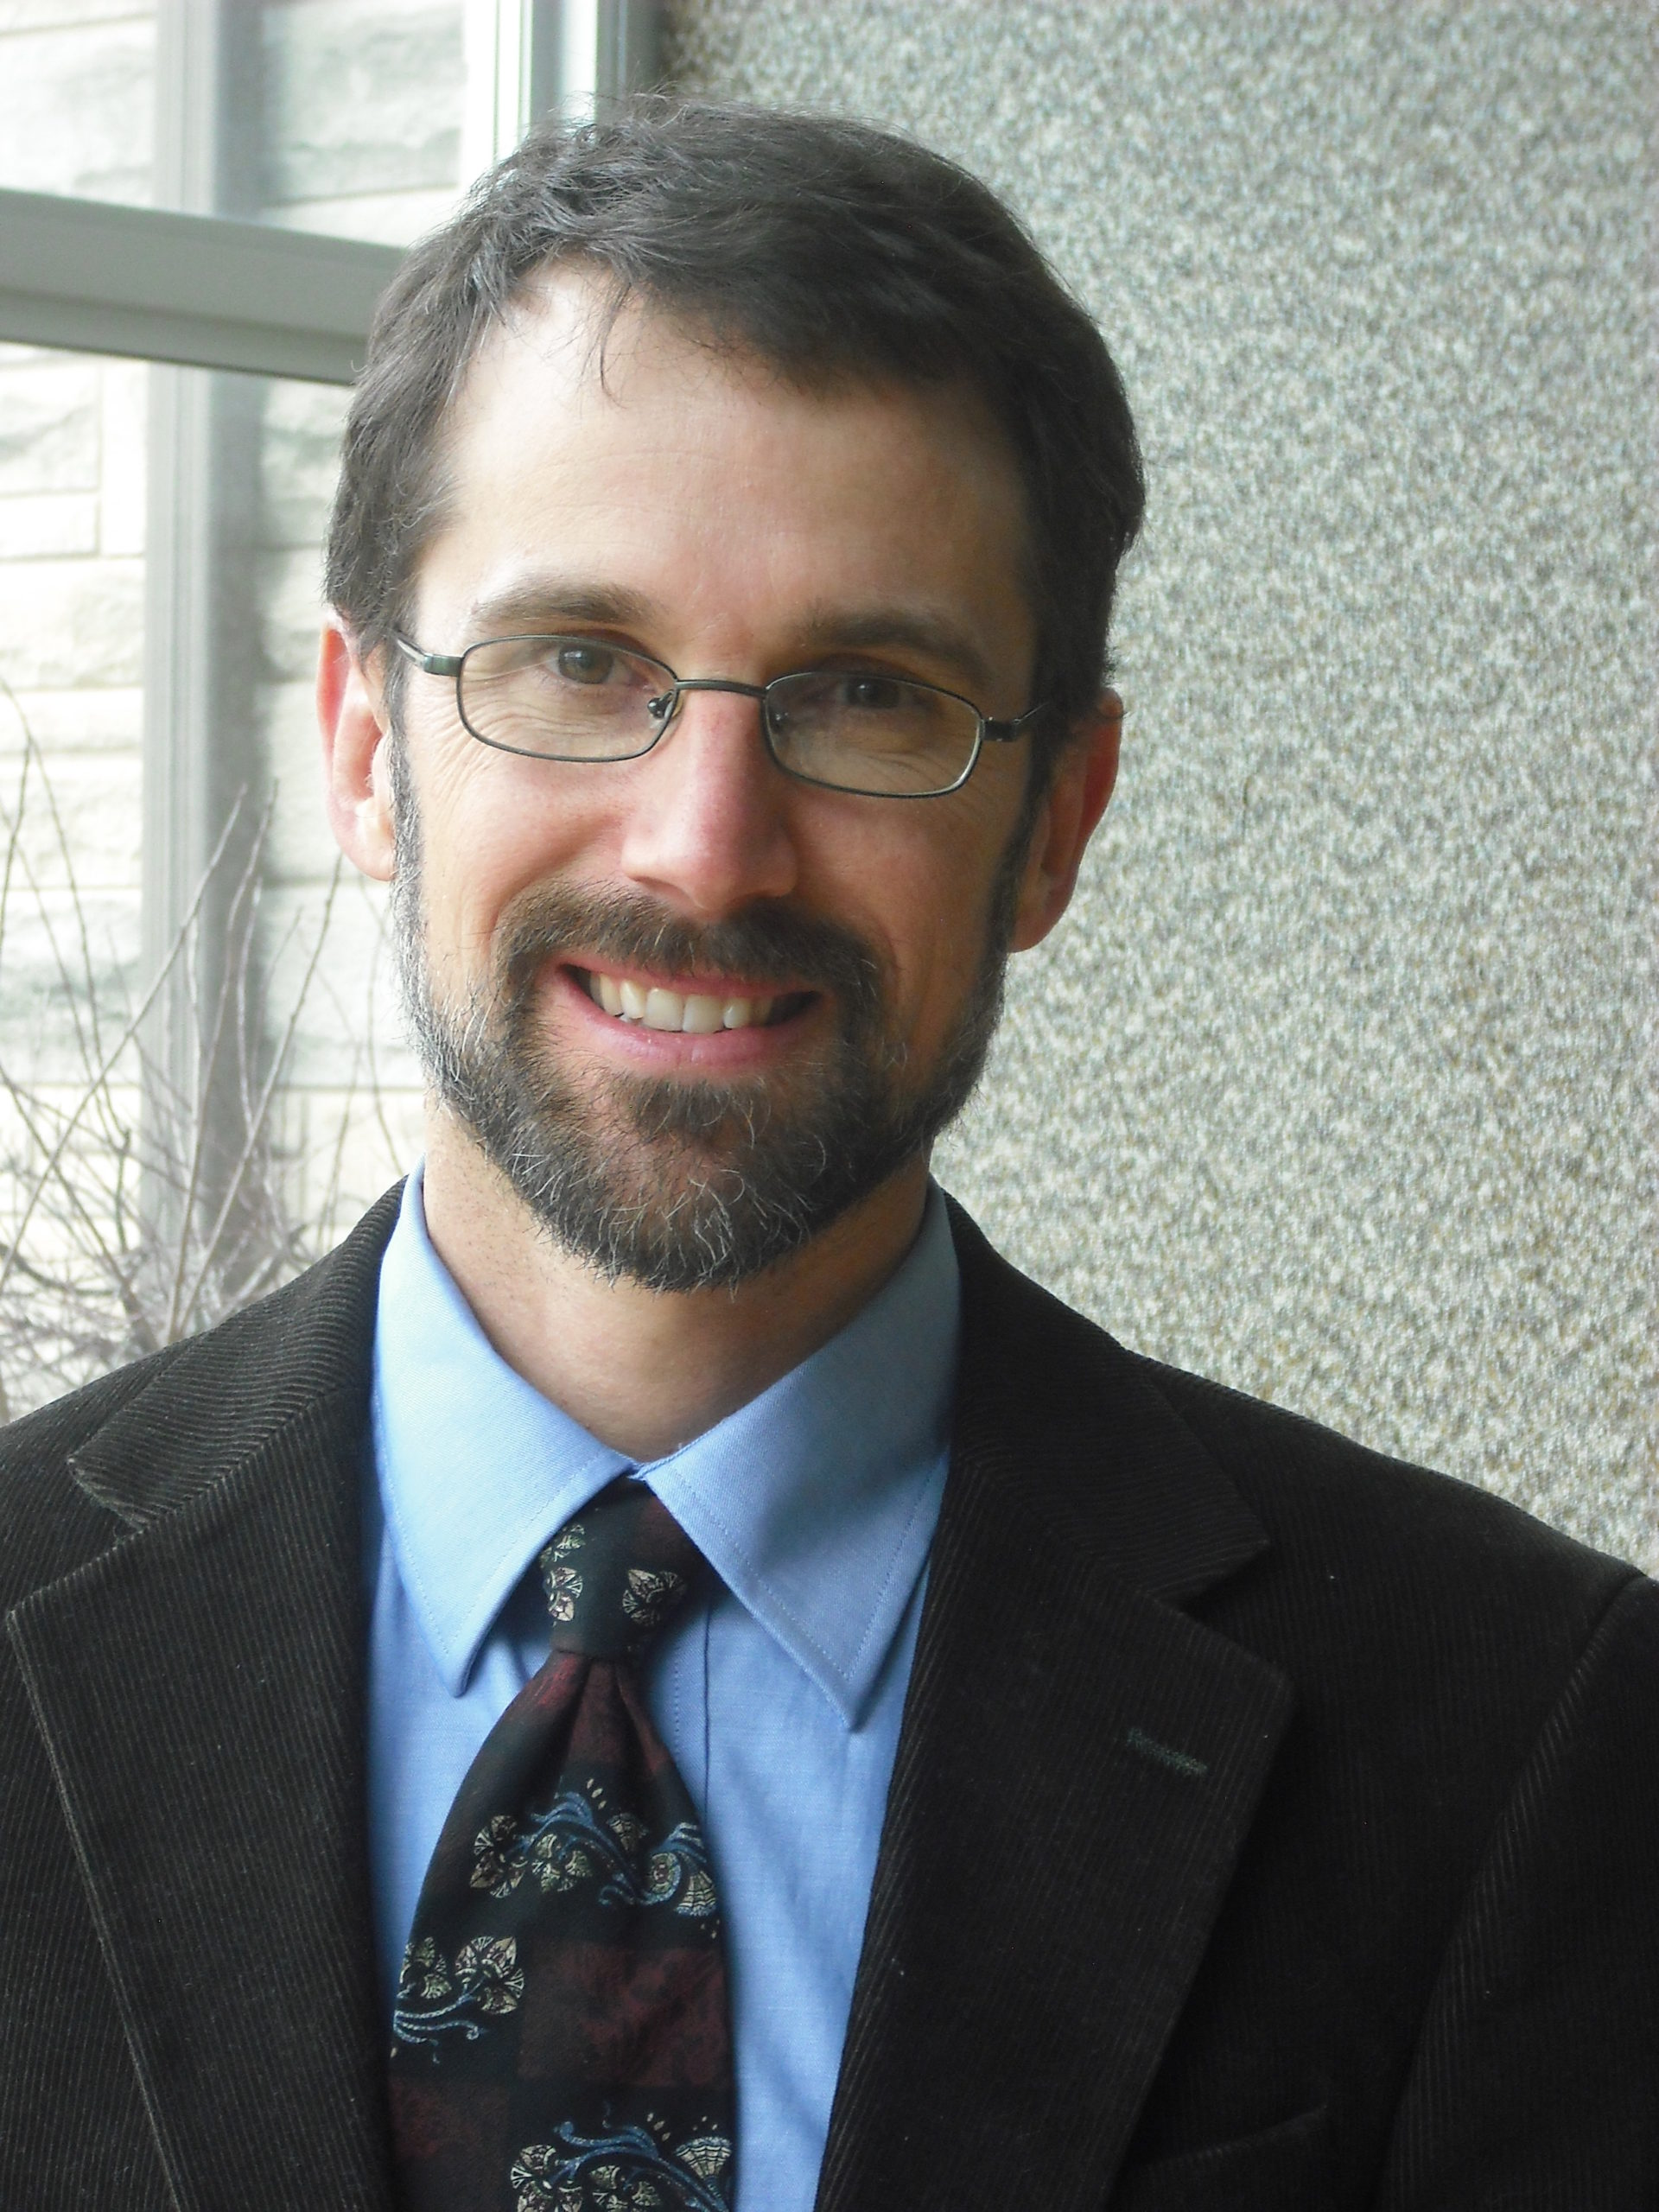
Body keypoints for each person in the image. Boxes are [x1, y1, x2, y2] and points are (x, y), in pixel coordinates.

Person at [1, 100, 1656, 2212]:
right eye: (578, 661)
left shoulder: (1515, 1738)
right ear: (363, 742)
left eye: (870, 694)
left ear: (1056, 820)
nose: (705, 845)